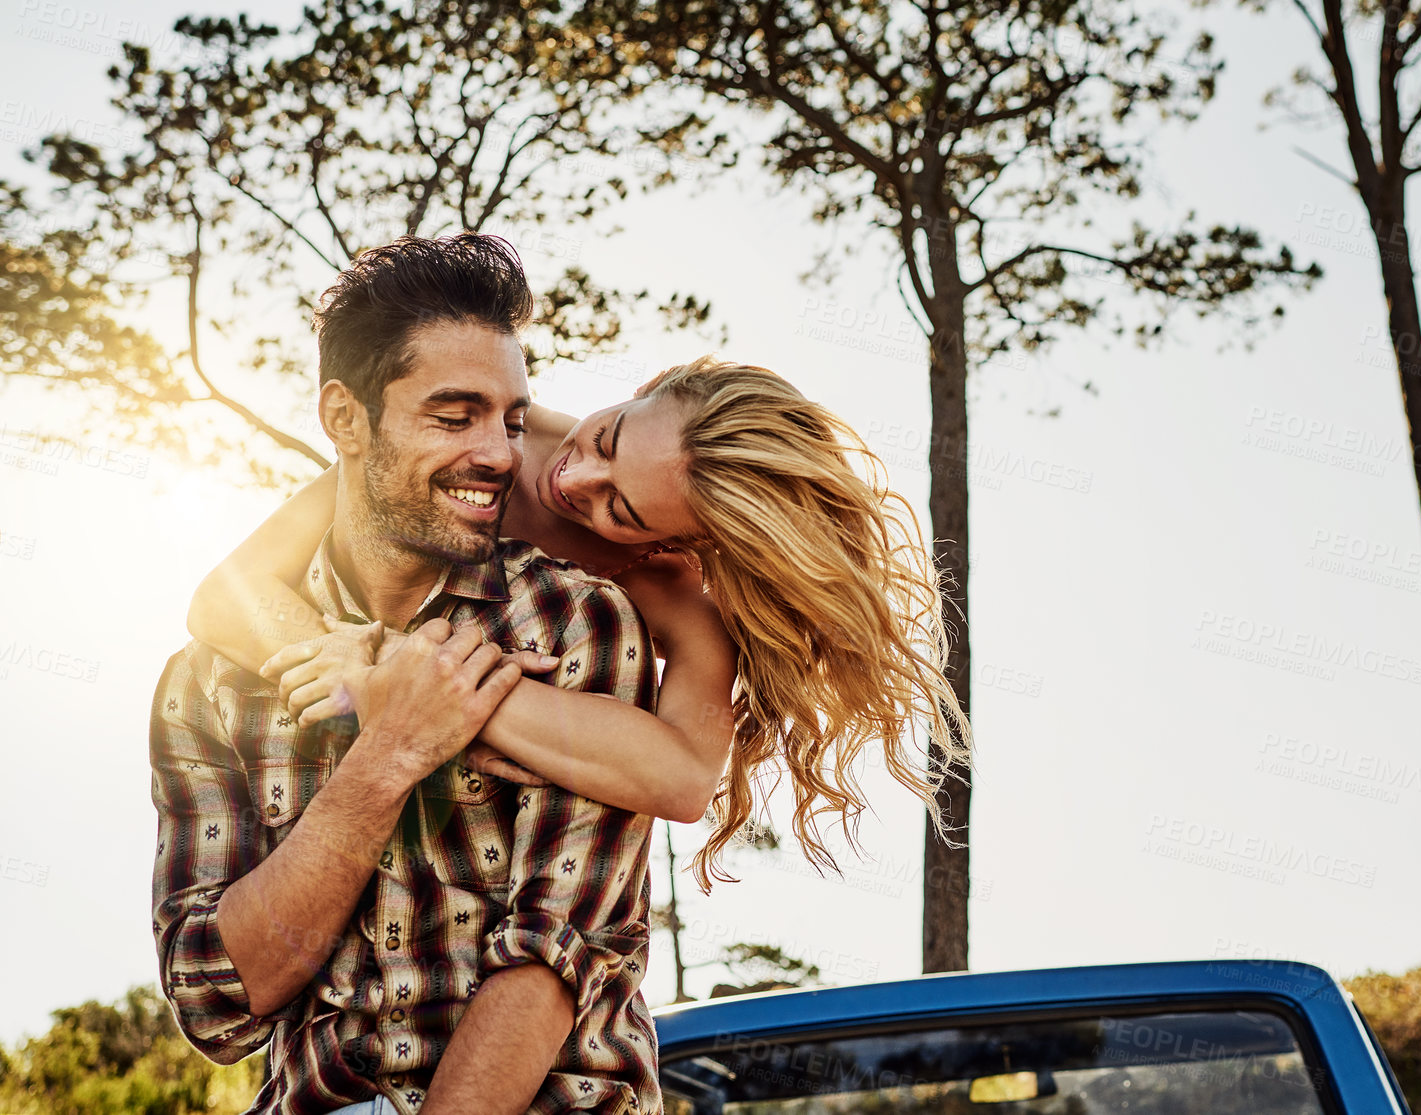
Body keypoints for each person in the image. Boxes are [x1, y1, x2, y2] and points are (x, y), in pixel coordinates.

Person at [190, 303, 970, 889]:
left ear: (674, 543)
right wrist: (363, 663)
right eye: (609, 439)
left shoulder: (667, 585)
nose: (576, 480)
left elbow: (682, 778)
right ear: (647, 387)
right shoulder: (476, 444)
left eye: (620, 511)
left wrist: (420, 683)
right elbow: (224, 600)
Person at [153, 235, 667, 1115]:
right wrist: (388, 753)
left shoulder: (573, 622)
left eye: (510, 419)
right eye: (453, 413)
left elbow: (553, 957)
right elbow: (216, 1003)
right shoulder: (212, 682)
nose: (502, 455)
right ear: (345, 419)